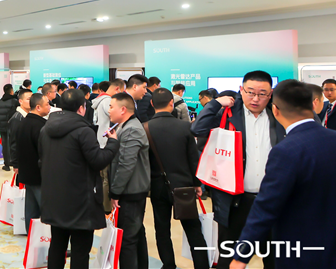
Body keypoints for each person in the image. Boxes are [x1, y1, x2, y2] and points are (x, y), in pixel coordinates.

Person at [229, 80, 336, 269]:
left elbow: (266, 207)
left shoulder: (285, 151)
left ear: (275, 110)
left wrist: (241, 256)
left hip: (301, 250)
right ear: (313, 105)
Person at [192, 71, 285, 269]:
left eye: (262, 94)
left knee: (275, 257)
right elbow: (197, 129)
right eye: (250, 92)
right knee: (229, 256)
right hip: (235, 200)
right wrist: (215, 103)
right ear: (241, 90)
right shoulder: (227, 114)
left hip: (272, 199)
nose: (256, 99)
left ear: (271, 94)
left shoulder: (279, 114)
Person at [39, 89, 119, 269]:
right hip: (80, 201)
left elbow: (41, 160)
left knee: (57, 245)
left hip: (54, 198)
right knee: (80, 250)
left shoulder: (45, 129)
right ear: (82, 108)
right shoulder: (83, 131)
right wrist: (113, 143)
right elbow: (98, 161)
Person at [146, 88, 207, 269]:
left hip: (158, 186)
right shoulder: (185, 127)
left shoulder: (145, 127)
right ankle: (201, 265)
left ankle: (168, 265)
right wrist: (197, 184)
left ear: (152, 104)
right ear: (172, 104)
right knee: (193, 230)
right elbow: (193, 159)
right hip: (183, 186)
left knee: (162, 230)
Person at [108, 92, 151, 269]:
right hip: (130, 189)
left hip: (130, 191)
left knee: (128, 240)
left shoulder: (131, 129)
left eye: (111, 107)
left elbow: (126, 164)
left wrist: (115, 192)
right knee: (135, 234)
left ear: (123, 109)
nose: (109, 110)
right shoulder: (123, 126)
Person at [15, 93, 51, 232]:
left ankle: (31, 234)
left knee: (31, 209)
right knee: (46, 208)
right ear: (38, 107)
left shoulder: (23, 122)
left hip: (27, 173)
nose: (49, 107)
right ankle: (47, 238)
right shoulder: (41, 126)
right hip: (39, 175)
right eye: (47, 104)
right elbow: (44, 152)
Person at [0, 84, 19, 171]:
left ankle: (7, 164)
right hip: (12, 126)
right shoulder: (14, 101)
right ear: (11, 91)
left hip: (2, 126)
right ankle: (13, 161)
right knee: (13, 144)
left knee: (5, 145)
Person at [92, 80, 125, 147]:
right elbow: (117, 116)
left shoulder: (101, 99)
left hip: (101, 136)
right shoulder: (108, 101)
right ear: (117, 89)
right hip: (106, 139)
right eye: (122, 91)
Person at [8, 89, 32, 174]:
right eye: (28, 99)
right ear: (20, 101)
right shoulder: (17, 119)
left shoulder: (28, 116)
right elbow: (14, 143)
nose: (31, 101)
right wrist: (16, 164)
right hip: (22, 161)